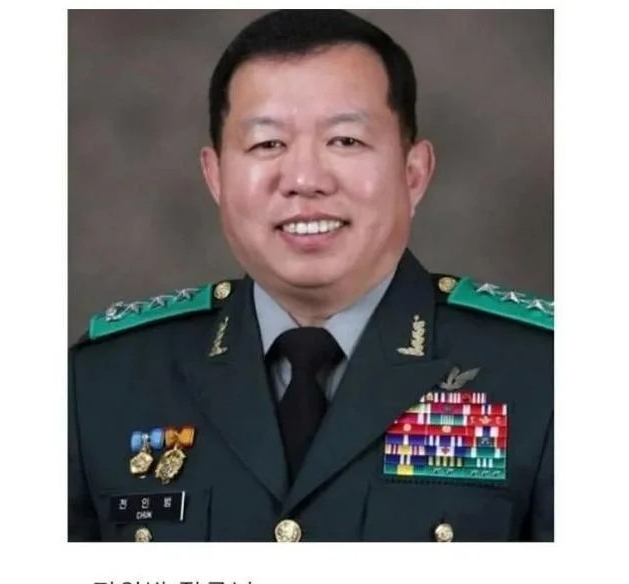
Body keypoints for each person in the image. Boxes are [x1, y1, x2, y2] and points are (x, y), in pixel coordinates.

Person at [69, 9, 553, 542]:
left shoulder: (544, 376)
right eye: (267, 144)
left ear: (414, 174)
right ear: (215, 176)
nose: (304, 179)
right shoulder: (102, 385)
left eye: (345, 141)